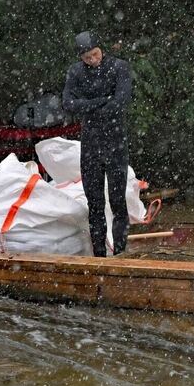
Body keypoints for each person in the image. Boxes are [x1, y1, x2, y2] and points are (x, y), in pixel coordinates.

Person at [62, 31, 133, 257]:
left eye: (95, 54)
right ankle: (99, 253)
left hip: (115, 141)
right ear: (81, 58)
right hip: (90, 144)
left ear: (101, 48)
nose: (93, 60)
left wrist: (89, 106)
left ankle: (120, 252)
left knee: (118, 200)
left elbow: (121, 101)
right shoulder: (76, 72)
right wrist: (102, 101)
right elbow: (68, 103)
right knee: (94, 203)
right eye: (87, 57)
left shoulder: (119, 67)